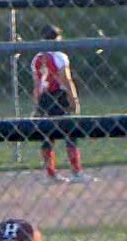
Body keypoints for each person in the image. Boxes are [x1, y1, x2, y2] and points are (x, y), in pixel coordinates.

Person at [31, 25, 86, 183]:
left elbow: (37, 85)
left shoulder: (37, 58)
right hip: (59, 95)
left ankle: (50, 173)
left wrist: (37, 105)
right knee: (70, 131)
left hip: (44, 97)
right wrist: (73, 99)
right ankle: (76, 172)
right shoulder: (59, 56)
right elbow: (66, 80)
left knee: (47, 134)